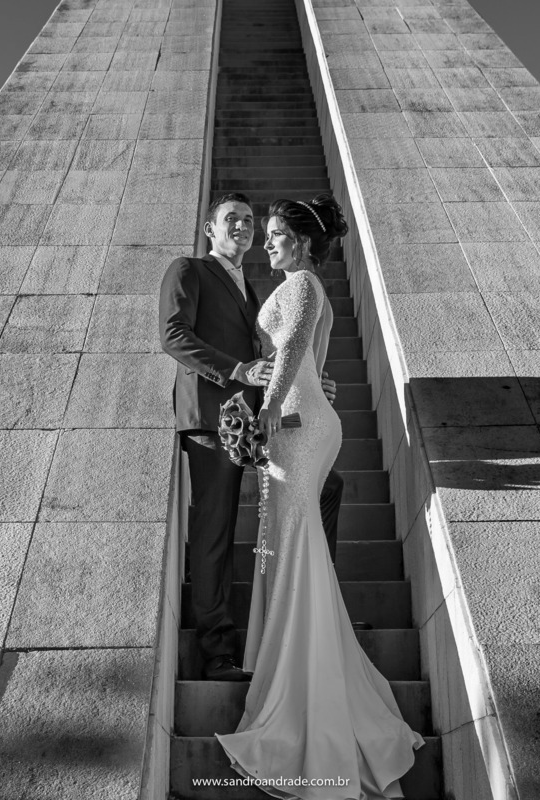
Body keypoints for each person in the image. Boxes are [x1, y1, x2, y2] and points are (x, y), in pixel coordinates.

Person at [215, 195, 424, 798]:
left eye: (278, 234)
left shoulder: (303, 285)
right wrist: (287, 399)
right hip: (303, 417)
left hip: (297, 425)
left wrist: (269, 412)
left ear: (303, 243)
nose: (269, 243)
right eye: (270, 234)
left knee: (295, 543)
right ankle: (303, 669)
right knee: (288, 544)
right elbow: (313, 363)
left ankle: (302, 690)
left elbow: (291, 352)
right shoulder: (298, 284)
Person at [159, 193, 348, 683]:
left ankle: (322, 612)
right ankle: (218, 650)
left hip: (259, 421)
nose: (244, 227)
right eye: (232, 220)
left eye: (249, 220)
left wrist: (313, 378)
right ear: (210, 230)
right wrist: (239, 370)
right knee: (215, 531)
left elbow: (282, 348)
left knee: (328, 488)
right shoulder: (190, 271)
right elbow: (174, 336)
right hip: (213, 419)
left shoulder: (255, 287)